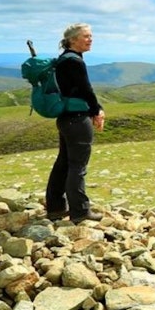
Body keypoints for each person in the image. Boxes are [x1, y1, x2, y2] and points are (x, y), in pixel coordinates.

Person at [45, 23, 105, 223]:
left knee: (64, 163)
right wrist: (97, 110)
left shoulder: (64, 59)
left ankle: (55, 207)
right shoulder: (74, 62)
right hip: (78, 119)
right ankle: (80, 212)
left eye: (90, 36)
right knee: (77, 166)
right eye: (86, 36)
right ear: (73, 40)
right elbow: (85, 89)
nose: (90, 39)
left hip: (66, 118)